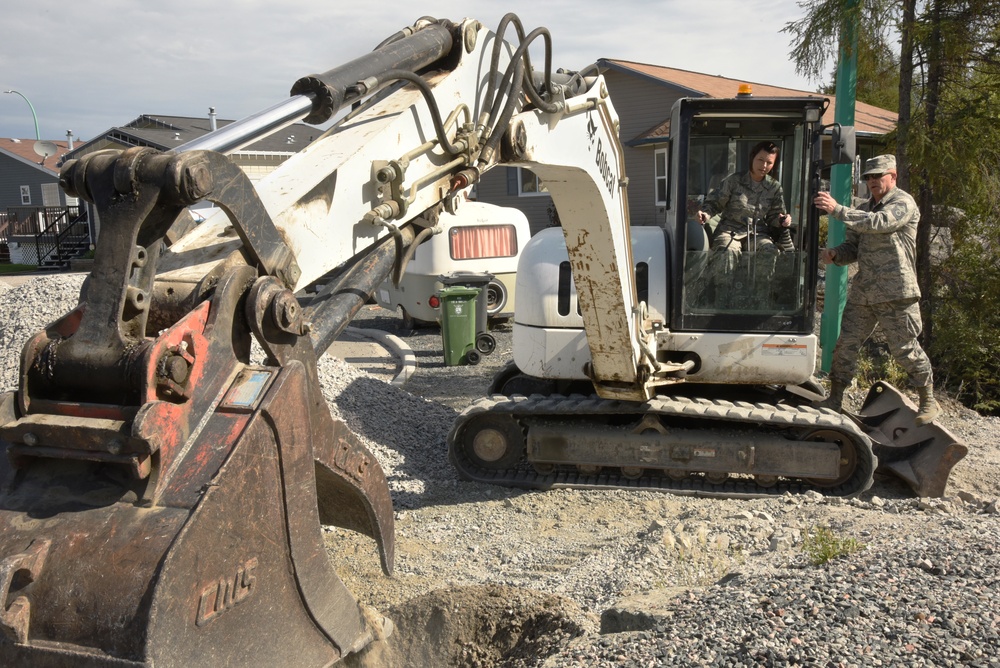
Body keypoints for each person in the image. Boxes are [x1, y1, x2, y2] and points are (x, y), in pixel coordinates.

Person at [813, 154, 941, 425]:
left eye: (877, 176)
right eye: (868, 177)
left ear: (892, 176)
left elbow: (880, 223)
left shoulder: (902, 202)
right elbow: (855, 248)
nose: (871, 181)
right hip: (864, 292)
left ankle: (928, 400)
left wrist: (838, 210)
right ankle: (835, 398)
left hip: (897, 291)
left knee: (904, 347)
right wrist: (836, 253)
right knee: (846, 344)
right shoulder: (865, 208)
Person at [697, 141, 793, 269]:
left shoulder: (774, 187)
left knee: (769, 252)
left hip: (758, 233)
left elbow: (774, 217)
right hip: (729, 231)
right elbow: (714, 203)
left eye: (769, 162)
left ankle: (761, 289)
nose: (764, 165)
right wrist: (704, 214)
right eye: (760, 160)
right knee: (726, 253)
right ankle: (724, 288)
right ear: (752, 157)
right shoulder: (734, 181)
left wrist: (783, 220)